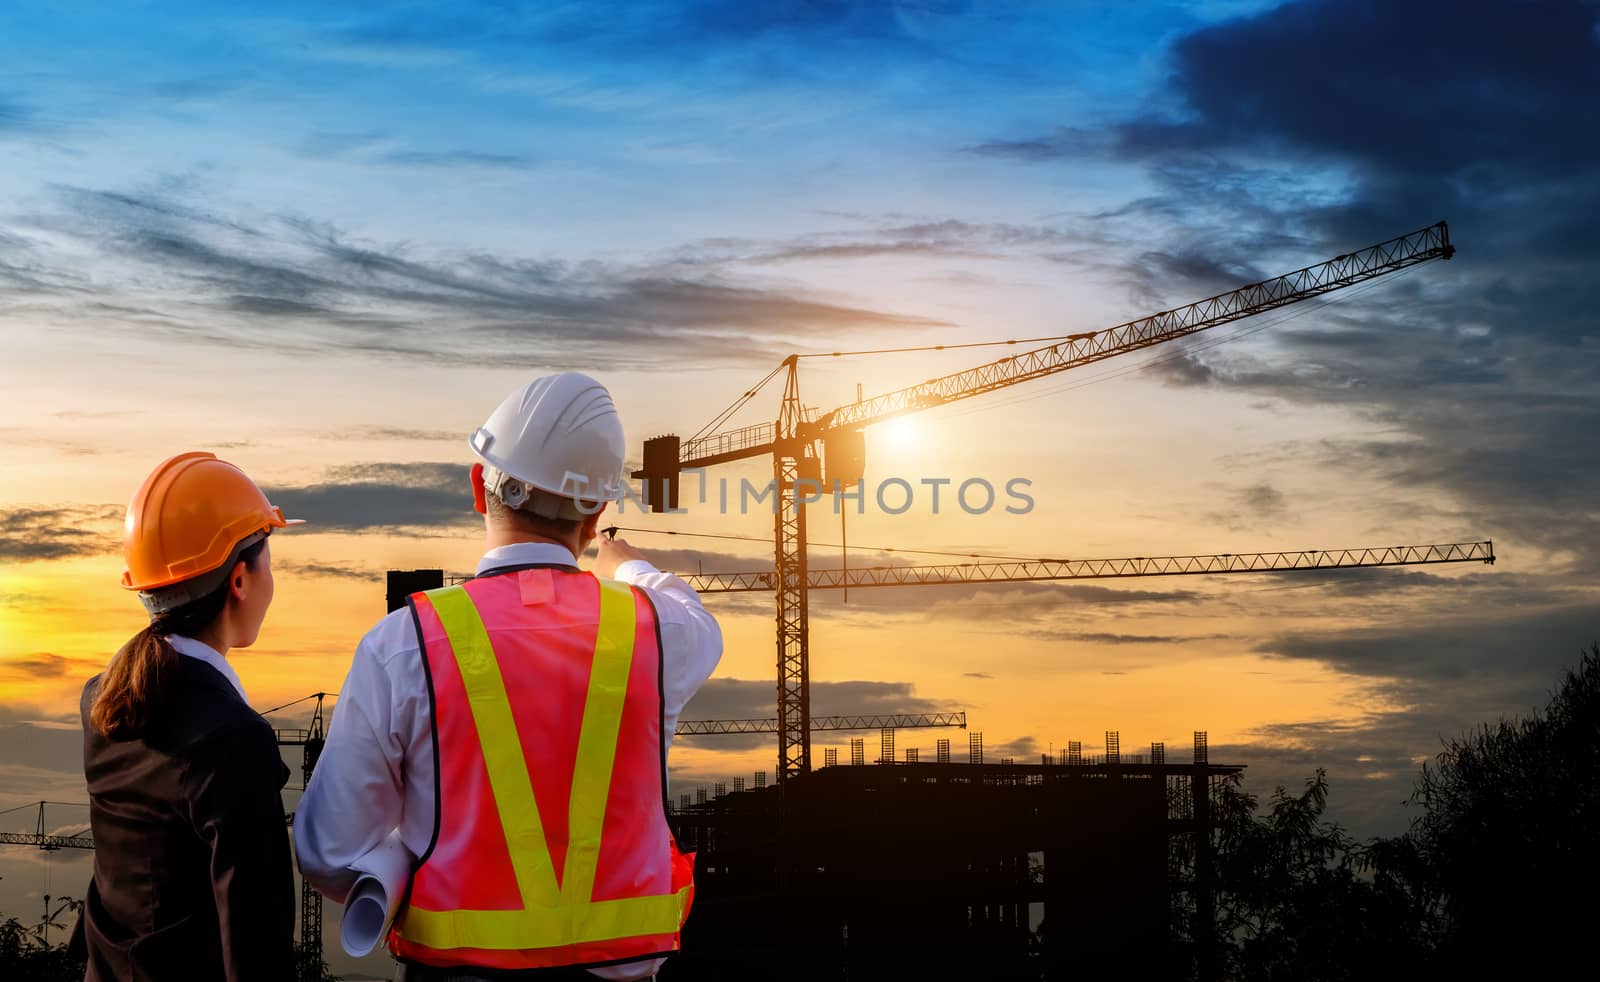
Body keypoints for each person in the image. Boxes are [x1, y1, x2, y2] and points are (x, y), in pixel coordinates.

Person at [296, 372, 723, 981]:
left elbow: (329, 850)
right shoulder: (654, 632)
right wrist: (629, 567)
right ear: (596, 513)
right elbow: (694, 617)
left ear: (479, 485)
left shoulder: (404, 643)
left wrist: (410, 854)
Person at [72, 451, 303, 981]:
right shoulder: (233, 739)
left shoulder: (102, 699)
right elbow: (257, 946)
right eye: (269, 557)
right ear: (239, 580)